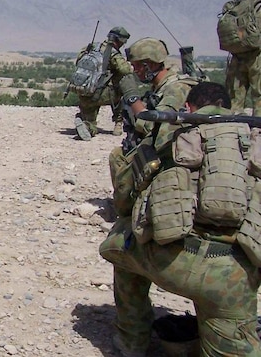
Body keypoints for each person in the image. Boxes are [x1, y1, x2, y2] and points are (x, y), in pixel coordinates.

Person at [100, 81, 261, 356]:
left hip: (171, 260)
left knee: (118, 244)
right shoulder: (253, 140)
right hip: (235, 276)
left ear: (188, 107)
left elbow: (124, 200)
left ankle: (132, 340)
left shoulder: (171, 136)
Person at [107, 37, 199, 215]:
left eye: (137, 66)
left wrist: (132, 97)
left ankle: (129, 209)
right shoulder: (160, 87)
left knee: (119, 158)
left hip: (173, 153)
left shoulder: (176, 88)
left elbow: (154, 126)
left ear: (148, 65)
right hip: (167, 148)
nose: (135, 71)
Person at [73, 26, 135, 140]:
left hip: (84, 92)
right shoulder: (113, 52)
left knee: (90, 121)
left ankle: (86, 124)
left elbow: (78, 62)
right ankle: (118, 121)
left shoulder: (90, 47)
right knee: (124, 84)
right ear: (119, 41)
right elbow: (125, 70)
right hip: (102, 94)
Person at [224, 0, 261, 115]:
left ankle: (230, 132)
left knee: (232, 103)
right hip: (258, 57)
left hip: (237, 57)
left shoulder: (238, 5)